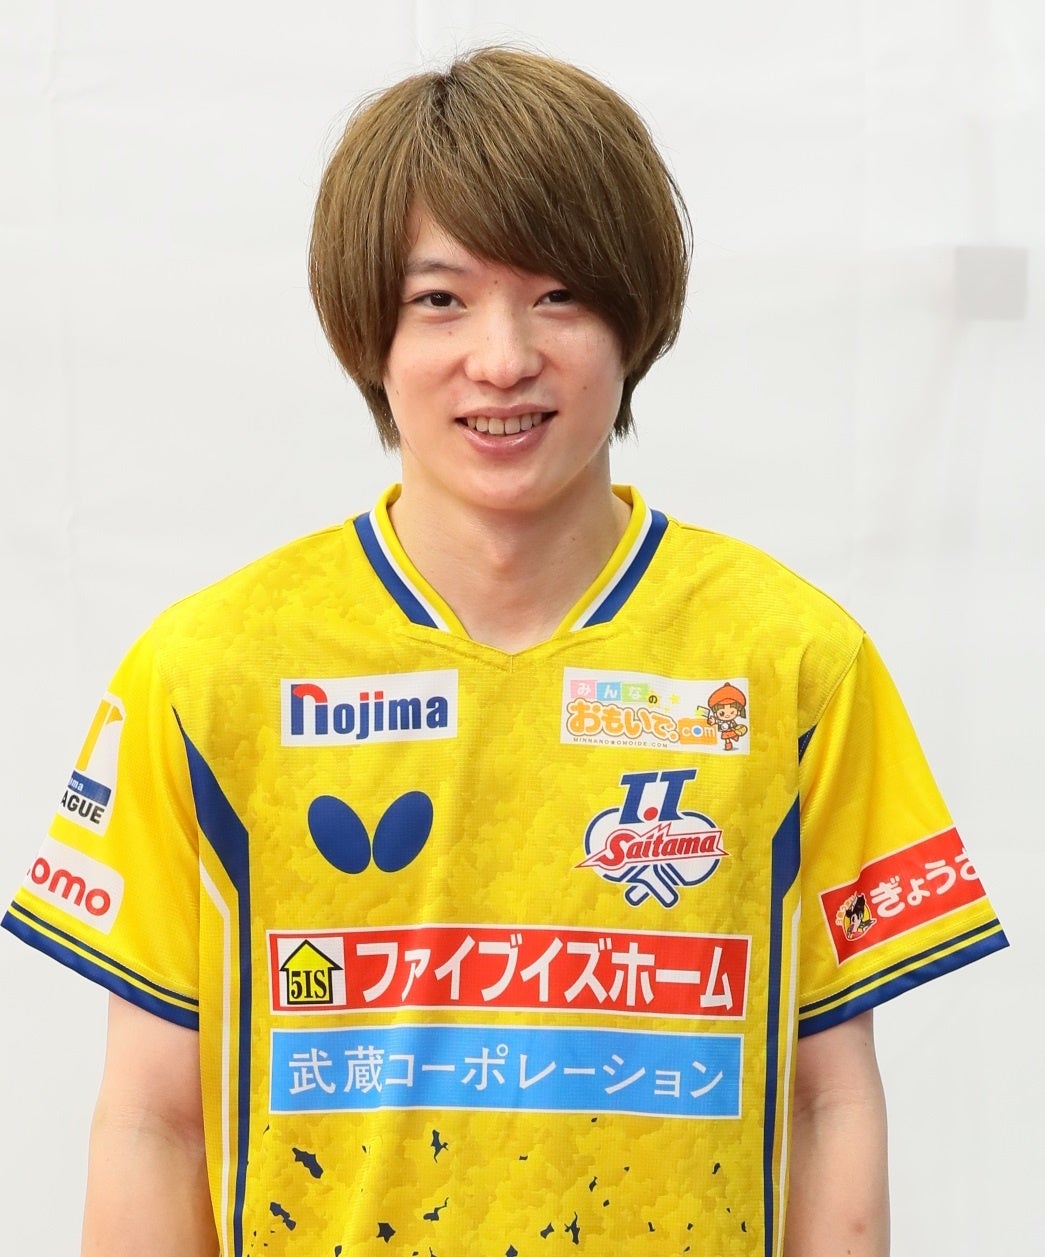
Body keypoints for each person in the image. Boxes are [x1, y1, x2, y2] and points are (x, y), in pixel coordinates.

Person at [3, 47, 1007, 1257]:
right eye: (441, 299)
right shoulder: (209, 671)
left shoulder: (791, 661)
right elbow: (155, 1120)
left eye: (558, 295)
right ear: (368, 329)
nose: (501, 358)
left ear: (634, 320)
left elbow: (825, 1098)